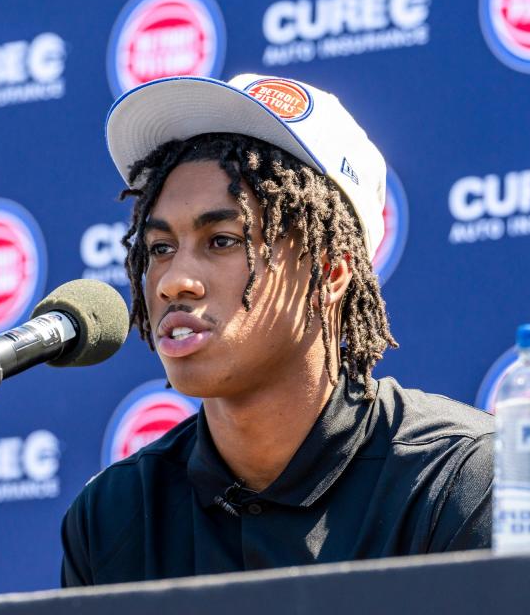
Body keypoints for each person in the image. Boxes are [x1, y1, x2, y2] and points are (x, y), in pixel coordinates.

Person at [61, 74, 494, 587]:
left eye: (222, 240)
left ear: (331, 273)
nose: (174, 281)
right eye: (159, 248)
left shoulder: (459, 479)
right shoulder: (112, 516)